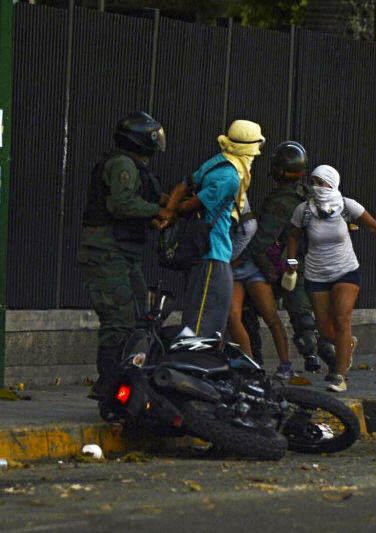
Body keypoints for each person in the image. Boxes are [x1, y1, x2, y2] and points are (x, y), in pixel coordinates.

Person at [286, 164, 376, 392]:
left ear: (333, 184)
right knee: (324, 328)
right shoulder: (304, 211)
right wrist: (291, 260)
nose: (317, 187)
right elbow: (293, 236)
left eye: (322, 183)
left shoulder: (347, 206)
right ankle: (346, 343)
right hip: (317, 274)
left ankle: (339, 376)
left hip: (346, 270)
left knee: (341, 319)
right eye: (314, 182)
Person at [79, 111, 170, 399]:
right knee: (118, 321)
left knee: (140, 316)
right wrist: (157, 211)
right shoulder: (122, 164)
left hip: (123, 252)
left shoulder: (134, 167)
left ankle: (126, 382)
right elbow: (122, 204)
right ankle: (108, 385)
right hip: (108, 252)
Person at [161, 120, 264, 337]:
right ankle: (194, 360)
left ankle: (193, 359)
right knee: (208, 314)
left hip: (206, 251)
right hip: (214, 251)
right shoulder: (230, 177)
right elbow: (191, 205)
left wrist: (169, 211)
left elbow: (184, 185)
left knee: (199, 309)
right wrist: (176, 211)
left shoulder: (217, 162)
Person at [244, 141, 335, 378]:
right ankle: (330, 364)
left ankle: (255, 364)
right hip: (313, 262)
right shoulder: (309, 194)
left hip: (285, 266)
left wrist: (265, 269)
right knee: (306, 317)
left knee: (249, 309)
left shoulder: (280, 202)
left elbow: (261, 242)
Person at [226, 193, 294, 376]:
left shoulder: (239, 203)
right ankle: (249, 364)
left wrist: (237, 260)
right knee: (233, 316)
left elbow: (249, 232)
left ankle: (286, 365)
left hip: (251, 267)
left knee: (270, 316)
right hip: (232, 269)